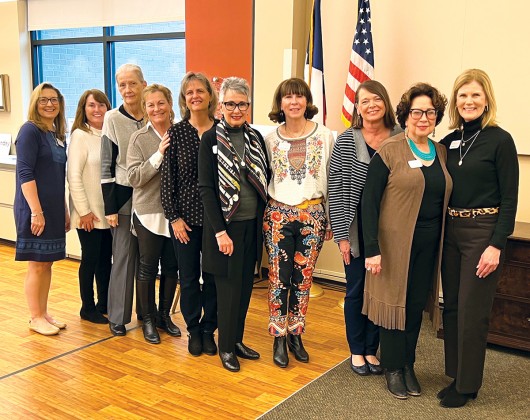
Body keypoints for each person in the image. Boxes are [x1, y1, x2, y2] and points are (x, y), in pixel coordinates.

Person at [361, 83, 452, 399]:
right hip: (393, 246)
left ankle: (409, 364)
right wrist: (371, 248)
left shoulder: (439, 151)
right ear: (406, 115)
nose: (423, 117)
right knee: (394, 306)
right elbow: (369, 202)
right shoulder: (391, 149)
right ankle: (393, 368)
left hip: (428, 244)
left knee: (413, 306)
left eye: (430, 111)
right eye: (417, 111)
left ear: (436, 115)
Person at [438, 69, 519, 408]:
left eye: (475, 95)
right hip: (451, 231)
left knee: (473, 309)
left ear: (486, 100)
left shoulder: (500, 140)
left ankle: (468, 385)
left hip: (482, 233)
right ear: (455, 102)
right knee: (453, 305)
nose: (468, 101)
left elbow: (510, 198)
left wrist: (496, 244)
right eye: (462, 95)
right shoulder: (448, 140)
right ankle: (457, 374)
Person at [328, 80, 402, 376]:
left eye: (377, 99)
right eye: (364, 101)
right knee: (357, 290)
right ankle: (357, 350)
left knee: (380, 291)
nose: (371, 105)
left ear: (385, 102)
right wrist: (342, 237)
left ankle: (373, 349)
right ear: (357, 108)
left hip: (391, 230)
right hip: (355, 229)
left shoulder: (400, 137)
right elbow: (335, 188)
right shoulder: (347, 140)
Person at [198, 77, 269, 372]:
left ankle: (236, 339)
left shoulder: (255, 138)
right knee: (227, 292)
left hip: (251, 226)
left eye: (242, 104)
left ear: (248, 106)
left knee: (244, 289)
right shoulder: (210, 139)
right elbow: (206, 189)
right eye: (230, 104)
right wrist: (220, 232)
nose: (236, 109)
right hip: (225, 231)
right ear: (221, 106)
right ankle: (225, 347)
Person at [263, 77, 334, 368]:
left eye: (299, 96)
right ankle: (278, 337)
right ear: (280, 103)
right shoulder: (269, 139)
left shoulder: (326, 136)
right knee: (278, 279)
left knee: (303, 281)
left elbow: (331, 179)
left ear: (307, 101)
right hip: (278, 215)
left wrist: (329, 219)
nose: (294, 102)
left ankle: (296, 333)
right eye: (288, 97)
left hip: (312, 214)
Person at [161, 72, 218, 356]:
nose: (195, 96)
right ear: (184, 99)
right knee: (188, 277)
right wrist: (174, 218)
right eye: (189, 92)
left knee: (213, 278)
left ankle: (210, 330)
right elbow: (167, 179)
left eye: (200, 91)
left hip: (216, 222)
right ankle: (194, 330)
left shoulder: (221, 131)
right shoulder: (177, 132)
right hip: (183, 220)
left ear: (210, 95)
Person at [14, 82, 69, 336]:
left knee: (47, 263)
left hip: (54, 209)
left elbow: (59, 176)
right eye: (44, 100)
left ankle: (43, 312)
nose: (49, 104)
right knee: (36, 264)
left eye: (54, 99)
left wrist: (65, 210)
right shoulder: (29, 131)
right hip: (34, 209)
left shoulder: (55, 135)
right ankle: (35, 317)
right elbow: (25, 172)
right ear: (35, 104)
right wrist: (36, 211)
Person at [127, 84, 181, 344]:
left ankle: (164, 317)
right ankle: (147, 319)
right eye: (151, 105)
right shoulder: (139, 139)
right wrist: (158, 154)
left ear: (170, 104)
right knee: (147, 268)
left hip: (177, 215)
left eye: (161, 103)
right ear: (145, 109)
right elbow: (134, 178)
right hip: (148, 213)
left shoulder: (182, 133)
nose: (156, 108)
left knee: (172, 267)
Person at [100, 64, 146, 336]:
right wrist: (110, 208)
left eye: (132, 83)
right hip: (124, 199)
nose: (127, 90)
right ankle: (117, 316)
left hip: (152, 199)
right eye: (122, 85)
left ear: (143, 84)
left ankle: (147, 313)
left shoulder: (155, 112)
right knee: (124, 260)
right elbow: (106, 166)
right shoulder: (112, 119)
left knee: (149, 262)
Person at [68, 89, 112, 324]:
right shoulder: (80, 135)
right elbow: (73, 176)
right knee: (91, 260)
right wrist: (83, 211)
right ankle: (87, 307)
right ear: (83, 110)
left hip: (108, 214)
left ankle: (104, 303)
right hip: (89, 214)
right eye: (91, 105)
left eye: (101, 105)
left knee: (106, 260)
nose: (97, 110)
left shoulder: (108, 134)